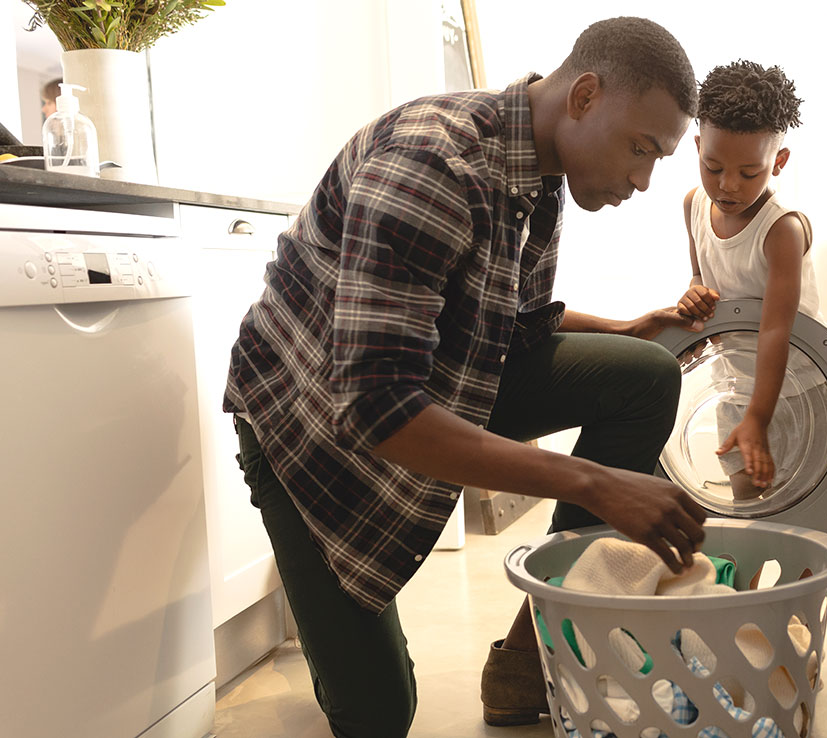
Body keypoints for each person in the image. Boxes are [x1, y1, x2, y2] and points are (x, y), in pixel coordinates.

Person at [225, 17, 708, 737]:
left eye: (658, 160)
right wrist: (595, 484)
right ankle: (314, 582)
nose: (643, 180)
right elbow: (376, 407)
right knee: (381, 715)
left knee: (642, 375)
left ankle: (528, 656)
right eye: (641, 149)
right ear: (583, 96)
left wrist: (625, 330)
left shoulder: (541, 173)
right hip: (311, 425)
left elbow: (514, 324)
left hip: (426, 383)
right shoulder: (432, 165)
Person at [675, 60, 821, 502]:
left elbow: (777, 328)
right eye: (713, 166)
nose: (727, 186)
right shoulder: (693, 206)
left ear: (778, 162)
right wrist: (695, 292)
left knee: (794, 510)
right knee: (745, 499)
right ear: (698, 145)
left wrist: (759, 417)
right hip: (734, 383)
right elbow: (702, 275)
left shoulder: (782, 231)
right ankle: (742, 575)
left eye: (748, 173)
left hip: (795, 391)